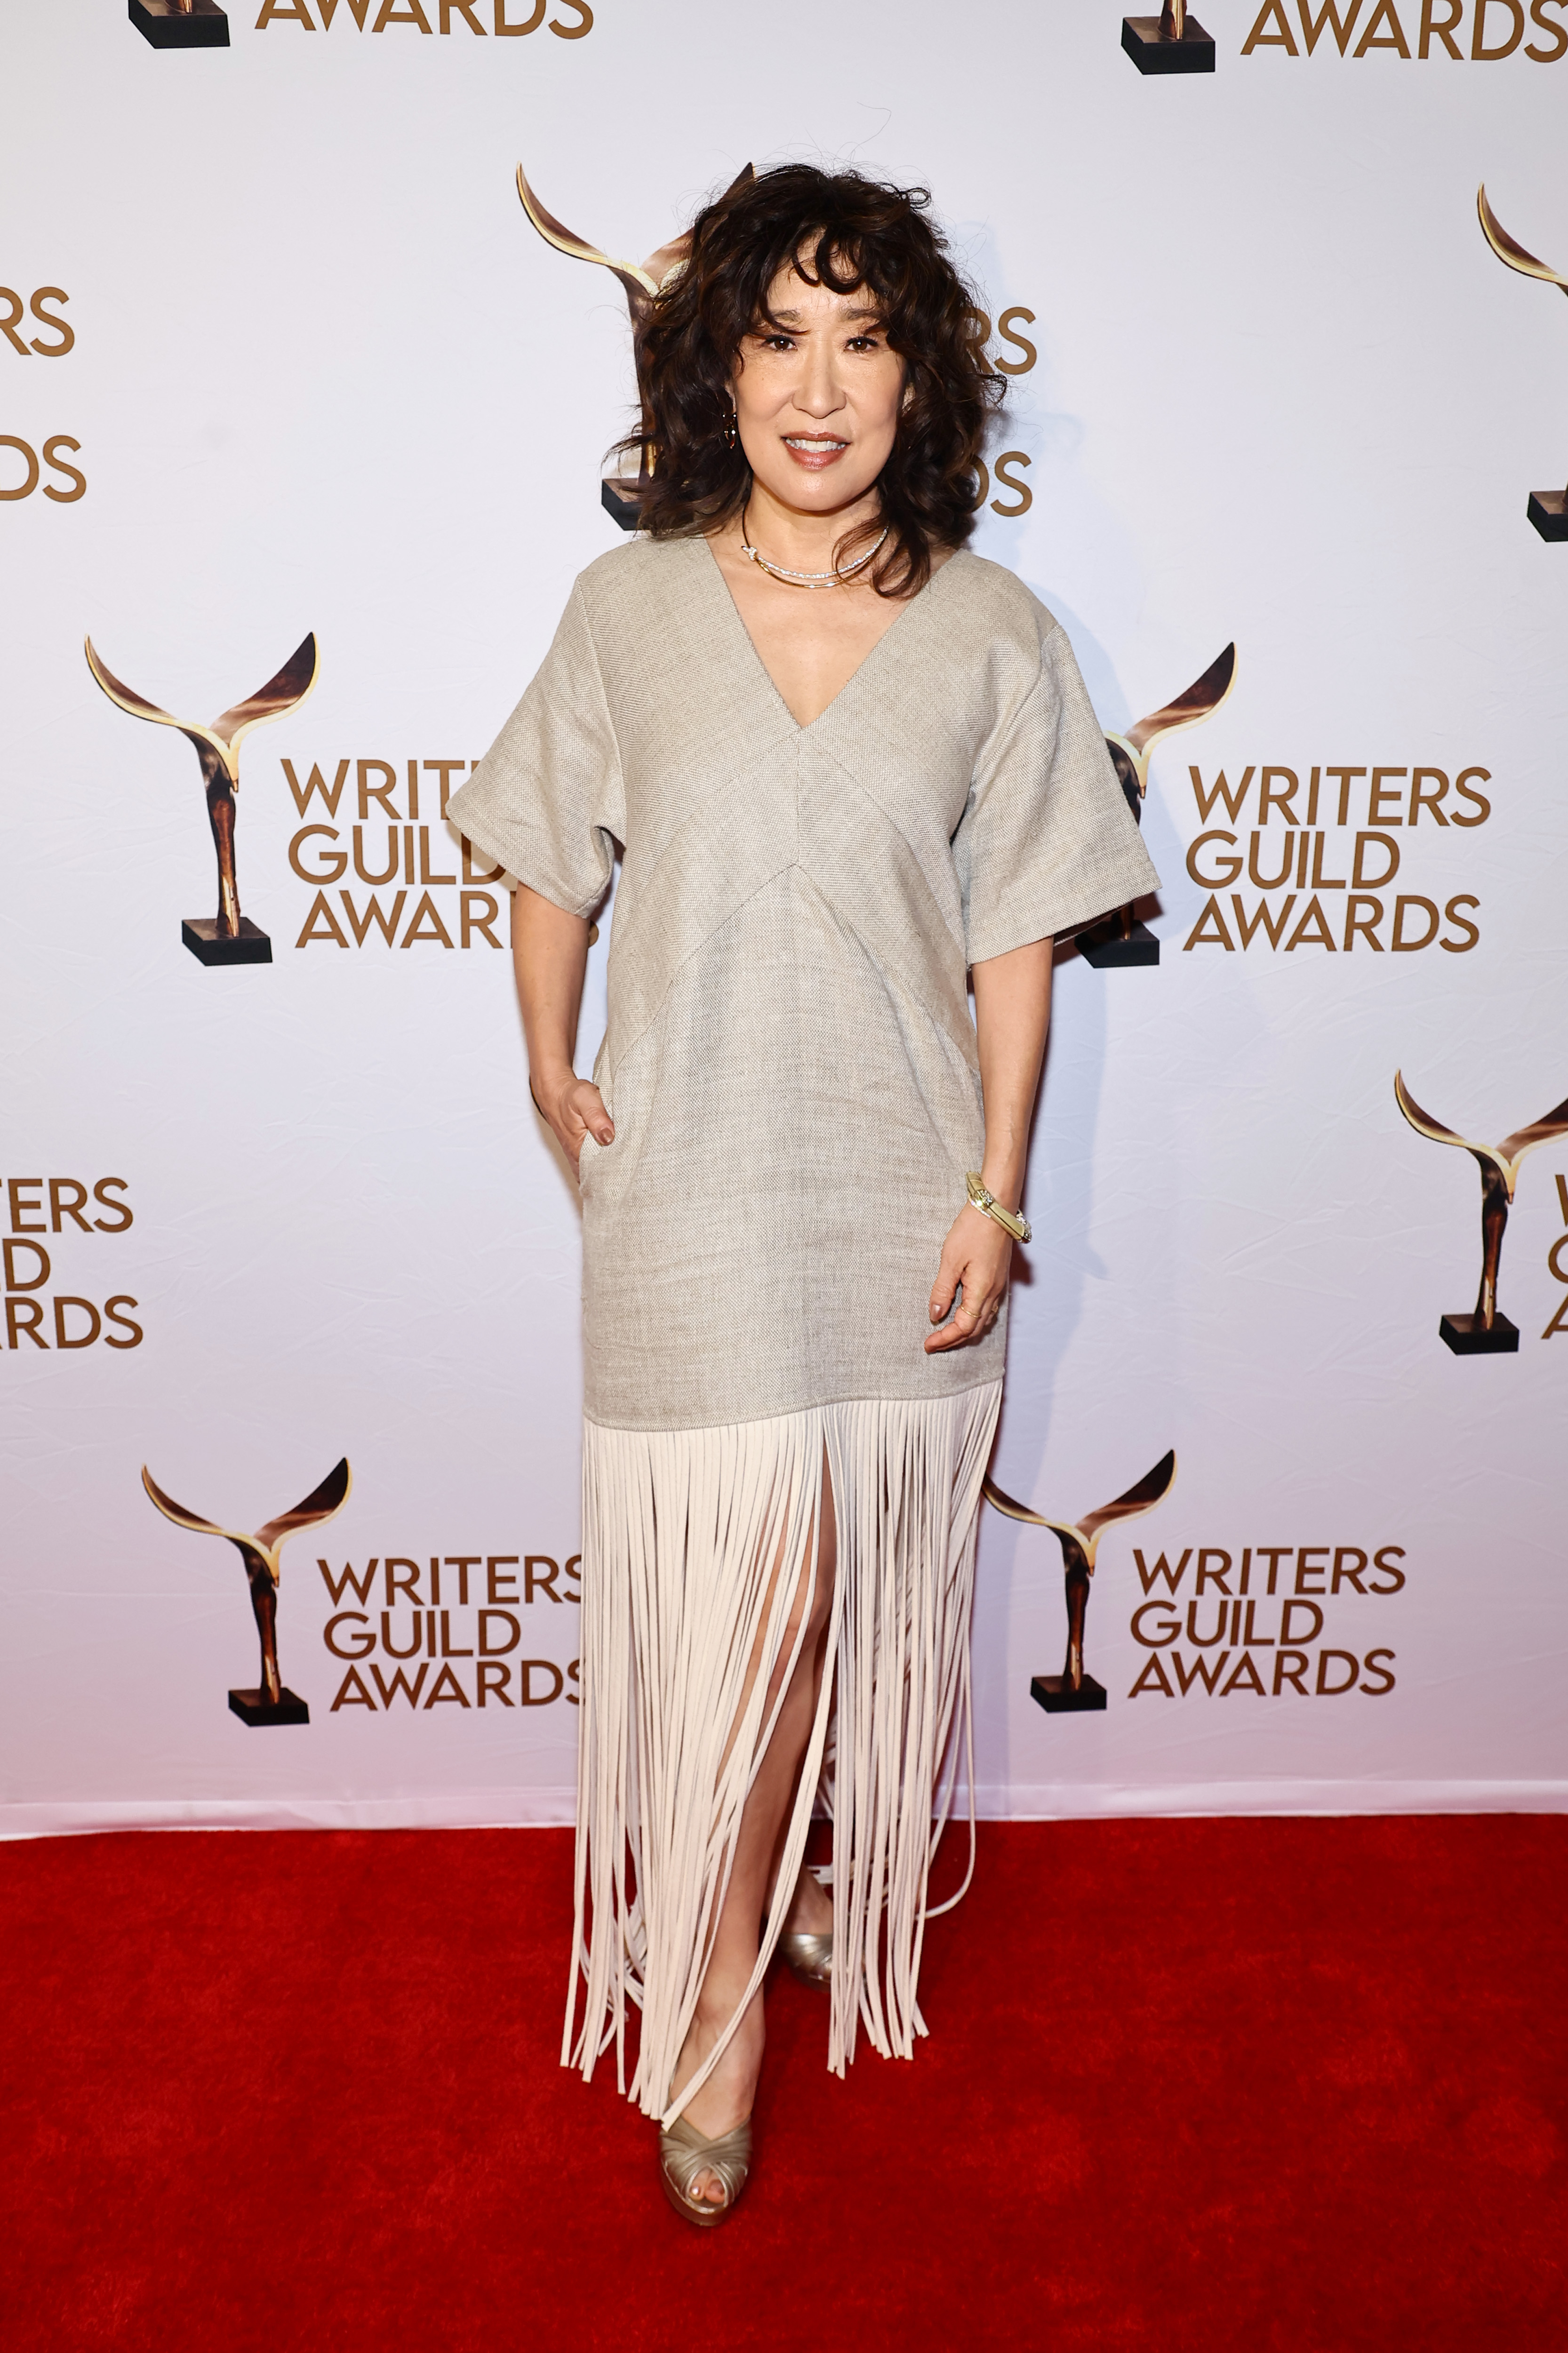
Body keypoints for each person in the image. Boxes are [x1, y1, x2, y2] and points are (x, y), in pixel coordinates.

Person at [448, 163, 1158, 2226]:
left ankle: (802, 1891)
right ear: (715, 370)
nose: (817, 384)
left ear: (917, 374)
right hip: (682, 1183)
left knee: (851, 1585)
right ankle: (720, 1986)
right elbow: (540, 854)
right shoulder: (630, 607)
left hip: (898, 1192)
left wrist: (995, 1191)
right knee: (747, 1606)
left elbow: (1016, 944)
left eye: (859, 338)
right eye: (775, 337)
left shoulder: (995, 633)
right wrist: (539, 1057)